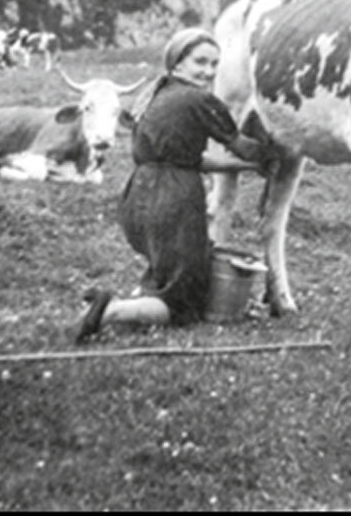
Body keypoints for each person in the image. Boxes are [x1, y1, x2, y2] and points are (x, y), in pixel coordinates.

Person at [75, 27, 272, 342]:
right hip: (174, 202)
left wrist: (242, 167)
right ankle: (109, 310)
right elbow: (243, 146)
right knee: (183, 306)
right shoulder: (200, 99)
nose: (208, 72)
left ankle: (138, 298)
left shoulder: (154, 94)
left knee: (169, 266)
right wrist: (277, 150)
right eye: (200, 62)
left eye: (214, 65)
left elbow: (184, 160)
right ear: (177, 63)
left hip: (138, 197)